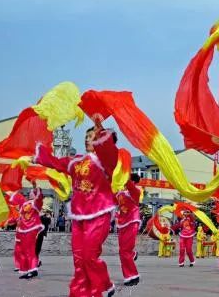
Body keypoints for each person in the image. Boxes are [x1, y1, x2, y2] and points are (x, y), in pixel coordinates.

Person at [32, 123, 118, 296]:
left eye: (92, 137)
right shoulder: (77, 160)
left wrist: (101, 129)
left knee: (89, 256)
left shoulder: (106, 162)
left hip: (99, 214)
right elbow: (57, 162)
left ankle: (102, 285)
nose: (88, 139)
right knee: (79, 259)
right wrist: (38, 154)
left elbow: (110, 151)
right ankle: (80, 292)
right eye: (86, 137)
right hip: (79, 215)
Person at [8, 185, 44, 279]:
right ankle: (27, 270)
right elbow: (19, 214)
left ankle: (33, 269)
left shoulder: (36, 203)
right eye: (30, 191)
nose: (30, 193)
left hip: (31, 228)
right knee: (23, 251)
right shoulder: (25, 203)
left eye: (32, 191)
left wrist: (36, 187)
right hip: (22, 230)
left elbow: (39, 198)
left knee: (30, 250)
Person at [115, 173, 142, 286]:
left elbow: (129, 185)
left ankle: (131, 276)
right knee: (122, 251)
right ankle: (132, 275)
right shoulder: (119, 193)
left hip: (131, 222)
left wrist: (123, 170)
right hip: (122, 224)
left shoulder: (135, 191)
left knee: (125, 251)